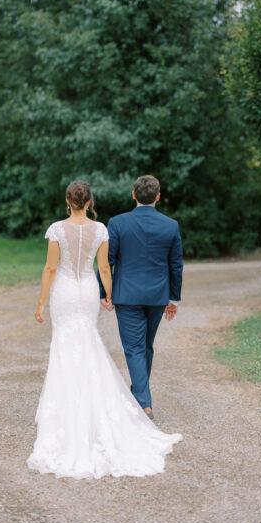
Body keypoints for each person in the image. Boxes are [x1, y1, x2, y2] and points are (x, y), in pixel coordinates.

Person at [27, 179, 182, 479]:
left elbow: (50, 268)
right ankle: (121, 403)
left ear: (67, 200)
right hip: (87, 291)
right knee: (92, 342)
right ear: (89, 201)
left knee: (66, 344)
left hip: (65, 292)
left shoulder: (58, 229)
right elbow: (104, 267)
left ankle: (68, 410)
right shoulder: (101, 230)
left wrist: (41, 302)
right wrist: (106, 292)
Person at [98, 175, 184, 420]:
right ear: (158, 196)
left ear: (133, 194)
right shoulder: (170, 225)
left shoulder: (117, 223)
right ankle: (139, 396)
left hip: (127, 295)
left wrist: (104, 292)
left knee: (136, 348)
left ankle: (143, 403)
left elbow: (108, 261)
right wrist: (173, 299)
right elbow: (176, 265)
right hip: (157, 296)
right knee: (145, 346)